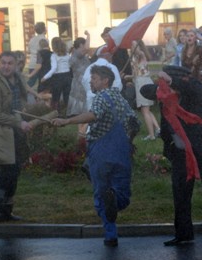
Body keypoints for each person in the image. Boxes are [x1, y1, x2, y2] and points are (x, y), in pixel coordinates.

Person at [140, 66, 202, 248]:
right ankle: (184, 234)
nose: (165, 87)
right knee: (180, 193)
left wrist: (173, 83)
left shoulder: (193, 90)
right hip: (180, 152)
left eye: (168, 82)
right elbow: (144, 91)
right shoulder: (164, 94)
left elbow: (194, 88)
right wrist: (163, 87)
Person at [52, 65, 138, 247]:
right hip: (122, 152)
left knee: (101, 192)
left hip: (101, 151)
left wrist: (67, 120)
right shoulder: (120, 98)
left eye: (94, 78)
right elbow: (135, 122)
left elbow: (93, 115)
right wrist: (129, 141)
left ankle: (110, 233)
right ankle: (114, 199)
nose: (91, 81)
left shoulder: (100, 97)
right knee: (121, 192)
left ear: (105, 81)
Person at [0, 51, 34, 222]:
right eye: (3, 62)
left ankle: (6, 212)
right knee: (8, 169)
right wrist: (18, 122)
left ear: (17, 64)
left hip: (15, 131)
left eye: (9, 63)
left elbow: (20, 102)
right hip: (1, 131)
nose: (5, 66)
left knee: (15, 169)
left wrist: (25, 115)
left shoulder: (18, 80)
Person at [124, 39, 159, 141]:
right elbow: (137, 73)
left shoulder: (141, 54)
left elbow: (140, 53)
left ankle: (151, 135)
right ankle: (157, 128)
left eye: (134, 45)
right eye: (131, 45)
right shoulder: (133, 57)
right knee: (146, 109)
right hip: (139, 81)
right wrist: (128, 77)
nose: (132, 47)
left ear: (139, 46)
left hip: (144, 82)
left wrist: (137, 48)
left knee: (145, 110)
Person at [67, 32, 91, 128]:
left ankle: (82, 130)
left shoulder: (78, 54)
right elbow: (87, 49)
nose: (85, 46)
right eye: (84, 44)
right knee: (81, 108)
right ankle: (81, 131)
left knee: (83, 107)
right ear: (81, 45)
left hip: (82, 82)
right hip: (79, 84)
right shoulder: (77, 53)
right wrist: (89, 36)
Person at [42, 36, 72, 113]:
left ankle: (55, 112)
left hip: (58, 77)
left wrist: (45, 77)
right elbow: (69, 65)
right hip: (67, 76)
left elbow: (54, 68)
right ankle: (68, 112)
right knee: (67, 96)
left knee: (56, 97)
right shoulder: (67, 54)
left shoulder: (54, 56)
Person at [27, 22, 47, 87]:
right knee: (43, 83)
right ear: (44, 29)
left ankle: (22, 93)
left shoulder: (32, 40)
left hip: (32, 63)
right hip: (42, 64)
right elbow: (45, 52)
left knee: (30, 82)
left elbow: (29, 51)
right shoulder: (45, 40)